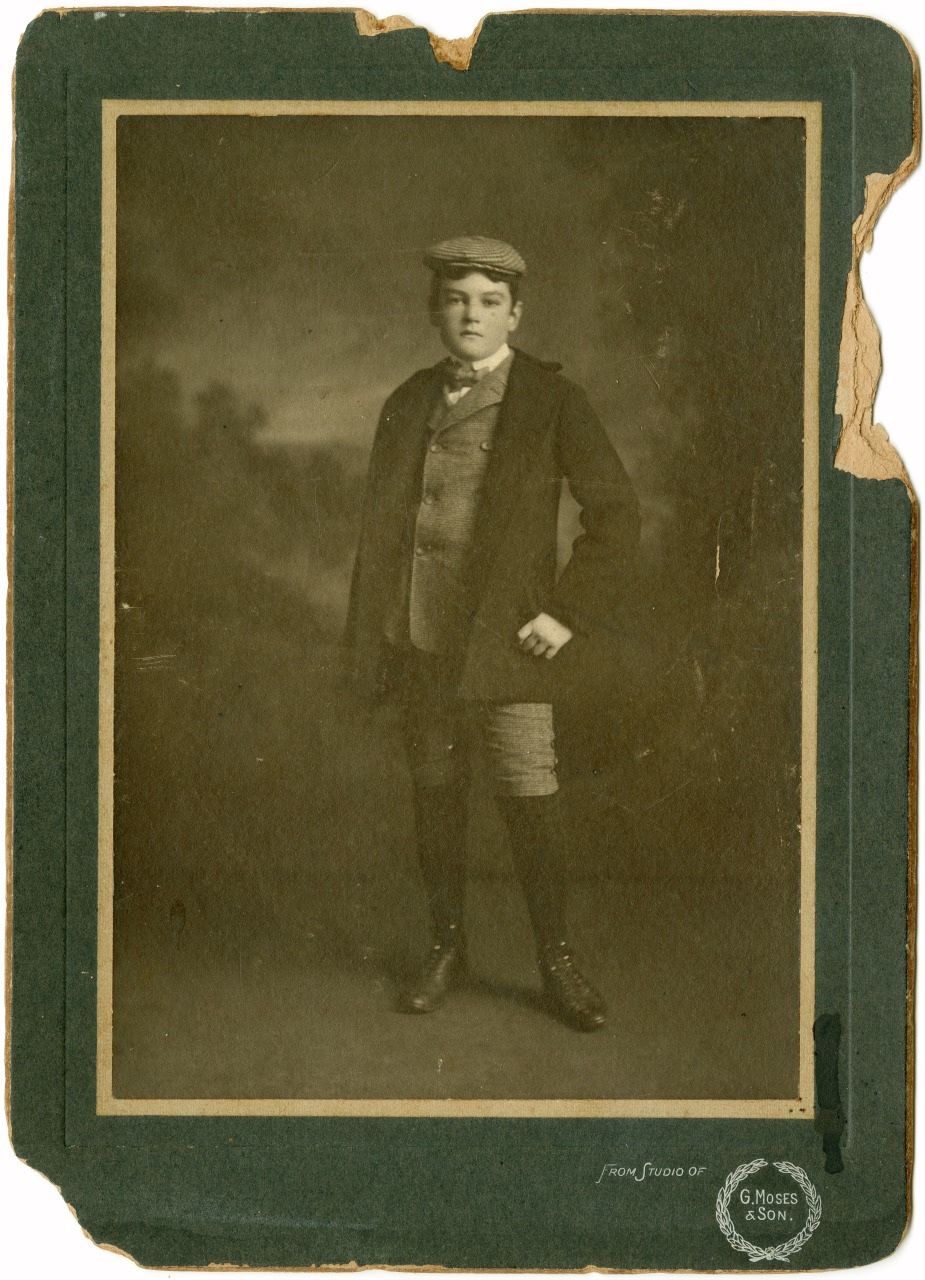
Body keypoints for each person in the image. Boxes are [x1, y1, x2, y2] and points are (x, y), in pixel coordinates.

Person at [344, 236, 639, 1031]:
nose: (469, 314)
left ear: (515, 313)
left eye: (486, 300)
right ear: (434, 308)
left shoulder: (549, 398)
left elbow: (614, 514)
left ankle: (558, 960)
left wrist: (565, 613)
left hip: (508, 645)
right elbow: (385, 534)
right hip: (421, 641)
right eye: (455, 298)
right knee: (434, 794)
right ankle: (447, 947)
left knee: (527, 795)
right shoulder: (407, 399)